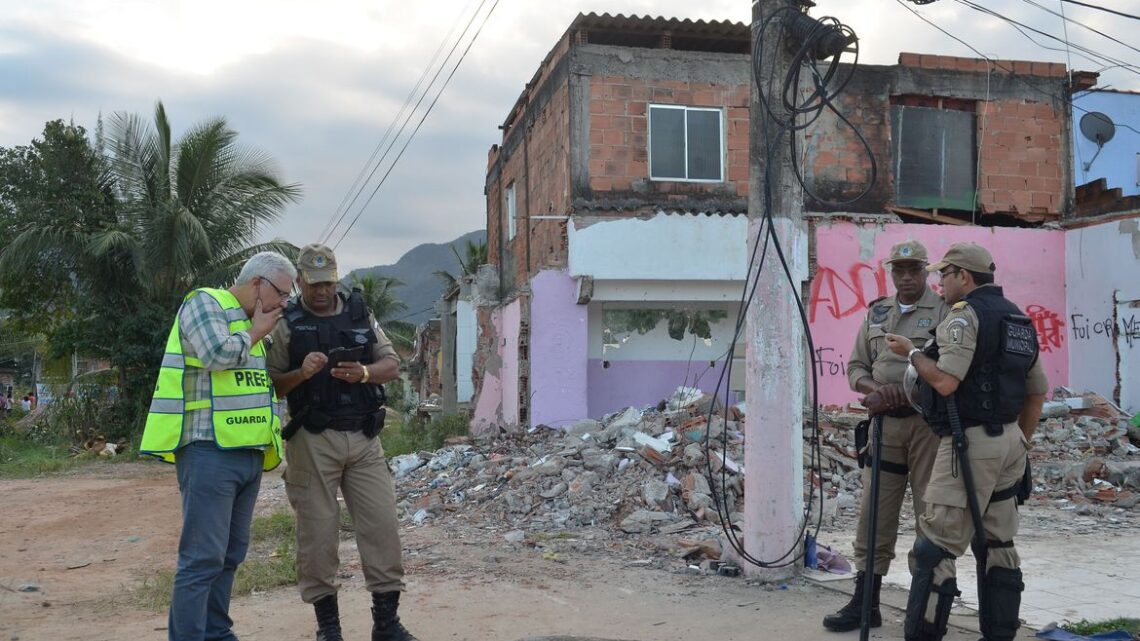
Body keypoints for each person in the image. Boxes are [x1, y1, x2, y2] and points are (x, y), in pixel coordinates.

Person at [885, 242, 1047, 641]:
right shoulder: (1018, 319)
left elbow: (944, 380)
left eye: (946, 274)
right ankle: (1000, 634)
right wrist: (1020, 445)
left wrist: (912, 353)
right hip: (1010, 440)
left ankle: (923, 635)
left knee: (935, 547)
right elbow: (1037, 391)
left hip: (968, 442)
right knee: (998, 544)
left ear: (964, 277)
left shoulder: (964, 316)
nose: (940, 282)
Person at [139, 251, 295, 641]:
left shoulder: (250, 324)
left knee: (230, 555)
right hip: (209, 451)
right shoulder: (204, 302)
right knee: (202, 558)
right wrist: (256, 331)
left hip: (247, 454)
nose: (282, 304)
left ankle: (216, 632)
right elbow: (216, 355)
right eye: (281, 294)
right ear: (258, 284)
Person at [266, 244, 418, 641]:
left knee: (382, 528)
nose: (321, 291)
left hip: (365, 437)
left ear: (337, 277)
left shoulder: (360, 314)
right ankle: (328, 629)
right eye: (313, 284)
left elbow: (391, 364)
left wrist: (364, 373)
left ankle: (386, 625)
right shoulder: (286, 323)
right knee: (317, 535)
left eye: (328, 283)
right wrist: (302, 372)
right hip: (313, 441)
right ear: (300, 281)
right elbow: (273, 385)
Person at [823, 240, 949, 632]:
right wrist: (871, 390)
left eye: (914, 269)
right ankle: (866, 603)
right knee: (874, 513)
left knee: (931, 513)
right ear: (892, 272)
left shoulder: (945, 312)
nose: (906, 276)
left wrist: (912, 389)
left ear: (926, 272)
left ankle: (925, 608)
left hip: (927, 425)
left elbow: (952, 370)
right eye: (900, 270)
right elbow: (857, 367)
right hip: (884, 425)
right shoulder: (878, 312)